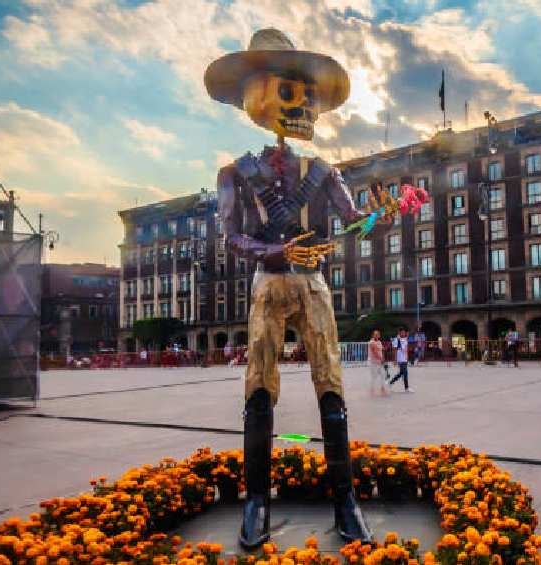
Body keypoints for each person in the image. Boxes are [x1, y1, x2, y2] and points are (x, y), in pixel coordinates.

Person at [208, 28, 382, 547]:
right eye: (291, 90)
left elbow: (353, 222)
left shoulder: (324, 171)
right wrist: (275, 251)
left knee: (330, 380)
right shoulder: (234, 174)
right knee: (259, 384)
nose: (304, 102)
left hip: (314, 288)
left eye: (308, 93)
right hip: (269, 284)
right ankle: (256, 498)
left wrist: (380, 216)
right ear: (258, 95)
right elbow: (231, 235)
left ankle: (345, 499)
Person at [367, 330, 387, 396]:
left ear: (379, 335)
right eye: (375, 334)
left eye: (377, 334)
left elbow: (382, 350)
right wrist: (382, 359)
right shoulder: (372, 342)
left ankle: (382, 389)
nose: (376, 335)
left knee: (383, 375)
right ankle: (371, 390)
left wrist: (383, 357)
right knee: (374, 377)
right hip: (373, 362)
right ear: (373, 335)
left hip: (379, 362)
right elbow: (375, 353)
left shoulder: (379, 342)